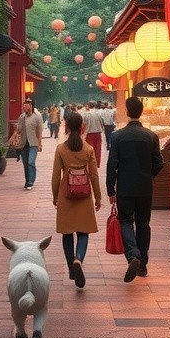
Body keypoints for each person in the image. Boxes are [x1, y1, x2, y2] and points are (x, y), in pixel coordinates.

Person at [106, 96, 163, 281]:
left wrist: (110, 189)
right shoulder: (151, 136)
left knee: (125, 221)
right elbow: (159, 163)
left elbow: (112, 164)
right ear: (141, 112)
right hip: (145, 187)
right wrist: (148, 175)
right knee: (143, 224)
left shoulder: (117, 136)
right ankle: (143, 266)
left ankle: (133, 254)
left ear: (128, 112)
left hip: (125, 187)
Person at [51, 110, 102, 288]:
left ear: (66, 125)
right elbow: (94, 175)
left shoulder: (61, 149)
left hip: (66, 193)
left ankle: (72, 269)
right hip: (84, 193)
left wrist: (55, 195)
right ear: (82, 127)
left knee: (67, 233)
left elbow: (56, 175)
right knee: (83, 231)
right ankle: (79, 259)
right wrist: (98, 197)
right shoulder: (88, 148)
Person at [14, 98, 43, 190]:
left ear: (31, 106)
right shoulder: (22, 116)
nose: (24, 106)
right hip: (23, 143)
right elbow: (18, 130)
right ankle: (27, 180)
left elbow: (39, 131)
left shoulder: (37, 116)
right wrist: (15, 136)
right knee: (25, 163)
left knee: (31, 162)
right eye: (24, 104)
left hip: (33, 143)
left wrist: (39, 144)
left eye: (26, 105)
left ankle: (31, 181)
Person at [82, 101, 105, 166]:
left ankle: (90, 163)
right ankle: (97, 163)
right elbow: (102, 123)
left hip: (89, 134)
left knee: (89, 149)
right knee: (98, 149)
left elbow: (84, 124)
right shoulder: (98, 114)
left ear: (89, 106)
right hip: (98, 134)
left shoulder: (86, 114)